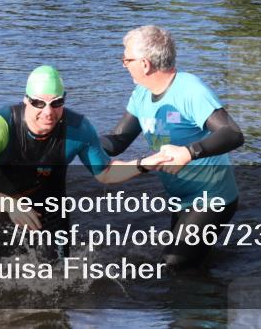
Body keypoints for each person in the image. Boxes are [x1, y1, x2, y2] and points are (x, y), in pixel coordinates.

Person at [0, 65, 170, 260]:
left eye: (56, 103)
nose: (48, 112)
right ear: (26, 100)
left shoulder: (78, 128)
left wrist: (145, 164)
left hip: (52, 213)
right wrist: (9, 204)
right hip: (2, 211)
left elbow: (105, 172)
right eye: (38, 103)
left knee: (58, 279)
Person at [102, 25, 244, 268]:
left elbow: (232, 133)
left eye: (126, 60)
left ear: (145, 64)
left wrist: (189, 152)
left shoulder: (189, 90)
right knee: (189, 265)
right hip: (181, 198)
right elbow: (118, 140)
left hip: (212, 198)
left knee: (173, 265)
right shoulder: (141, 94)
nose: (124, 65)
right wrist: (77, 142)